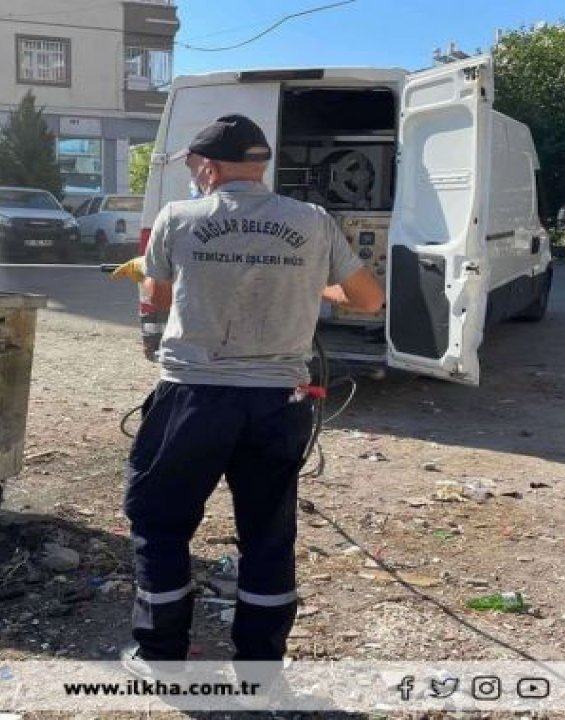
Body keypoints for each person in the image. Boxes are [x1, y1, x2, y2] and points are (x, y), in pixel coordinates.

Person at [122, 114, 384, 678]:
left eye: (196, 170)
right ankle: (261, 670)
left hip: (193, 396)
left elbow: (159, 296)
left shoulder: (180, 216)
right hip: (277, 402)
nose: (196, 179)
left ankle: (162, 659)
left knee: (161, 524)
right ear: (259, 165)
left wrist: (151, 269)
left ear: (209, 169)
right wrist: (303, 280)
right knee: (267, 536)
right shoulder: (313, 221)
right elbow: (368, 301)